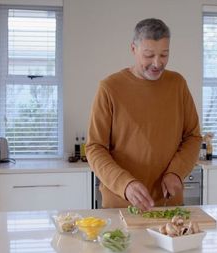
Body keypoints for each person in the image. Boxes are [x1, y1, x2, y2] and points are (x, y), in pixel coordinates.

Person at [86, 18, 201, 211]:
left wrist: (176, 172)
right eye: (149, 55)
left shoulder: (177, 84)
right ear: (133, 49)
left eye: (164, 54)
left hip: (168, 205)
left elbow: (193, 137)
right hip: (121, 205)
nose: (157, 63)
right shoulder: (110, 88)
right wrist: (125, 184)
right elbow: (95, 147)